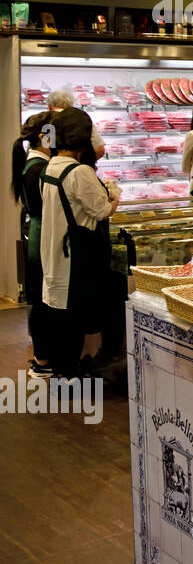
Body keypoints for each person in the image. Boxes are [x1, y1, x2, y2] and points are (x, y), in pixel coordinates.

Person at [40, 107, 120, 378]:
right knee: (74, 319)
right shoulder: (79, 172)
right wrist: (114, 195)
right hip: (78, 255)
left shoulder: (50, 166)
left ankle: (63, 372)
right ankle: (69, 376)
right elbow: (101, 210)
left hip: (55, 251)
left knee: (61, 318)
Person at [13, 111, 53, 375]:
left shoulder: (31, 164)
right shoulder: (40, 168)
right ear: (44, 137)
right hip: (41, 236)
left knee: (39, 297)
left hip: (35, 233)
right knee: (42, 298)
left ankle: (42, 358)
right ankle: (43, 360)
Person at [47, 90, 106, 160]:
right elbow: (99, 150)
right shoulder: (82, 118)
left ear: (49, 106)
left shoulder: (43, 119)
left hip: (50, 167)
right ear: (71, 104)